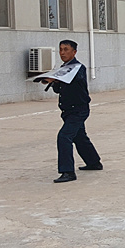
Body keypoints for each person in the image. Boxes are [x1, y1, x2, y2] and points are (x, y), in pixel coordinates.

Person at [44, 40, 102, 183]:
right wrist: (53, 82)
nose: (62, 53)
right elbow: (59, 90)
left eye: (66, 49)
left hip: (78, 110)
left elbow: (75, 79)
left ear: (74, 52)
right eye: (61, 50)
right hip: (68, 110)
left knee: (64, 137)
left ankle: (68, 172)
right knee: (79, 136)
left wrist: (58, 78)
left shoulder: (78, 68)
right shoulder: (63, 69)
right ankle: (94, 162)